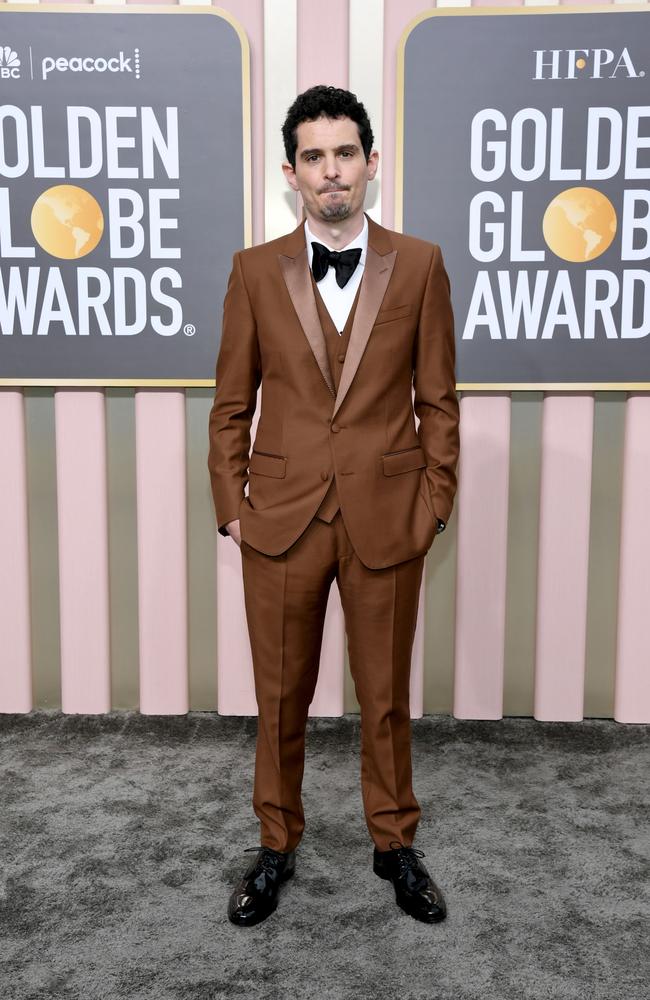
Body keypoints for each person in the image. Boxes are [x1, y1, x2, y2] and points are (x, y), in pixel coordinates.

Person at [207, 85, 460, 926]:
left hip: (390, 518)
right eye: (313, 156)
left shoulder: (419, 264)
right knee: (280, 696)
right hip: (278, 521)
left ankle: (394, 842)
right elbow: (230, 406)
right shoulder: (252, 271)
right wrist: (233, 508)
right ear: (292, 172)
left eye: (344, 152)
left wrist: (435, 504)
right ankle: (276, 845)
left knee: (384, 696)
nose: (331, 171)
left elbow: (440, 402)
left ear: (371, 162)